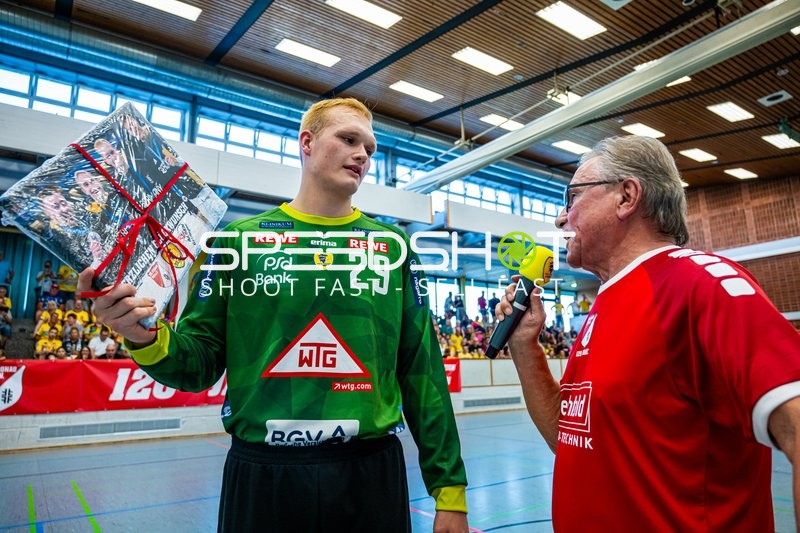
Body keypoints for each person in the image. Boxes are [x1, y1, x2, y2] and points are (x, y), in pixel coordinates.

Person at [78, 97, 469, 532]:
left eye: (370, 149)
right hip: (262, 478)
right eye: (349, 139)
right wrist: (143, 336)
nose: (363, 155)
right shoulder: (235, 244)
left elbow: (422, 372)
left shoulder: (394, 248)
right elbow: (200, 362)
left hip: (370, 476)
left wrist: (449, 490)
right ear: (307, 142)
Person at [497, 135, 800, 531]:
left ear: (627, 196)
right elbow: (569, 440)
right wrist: (524, 348)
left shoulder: (698, 284)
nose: (560, 218)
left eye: (572, 198)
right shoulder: (606, 304)